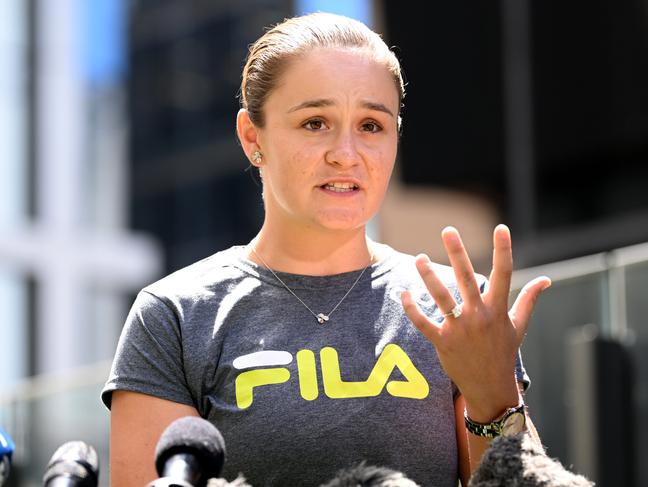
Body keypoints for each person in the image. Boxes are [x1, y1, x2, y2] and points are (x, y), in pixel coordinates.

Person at [101, 12, 551, 487]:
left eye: (372, 125)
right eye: (316, 122)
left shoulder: (459, 308)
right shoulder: (174, 315)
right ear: (253, 137)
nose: (346, 153)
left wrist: (494, 398)